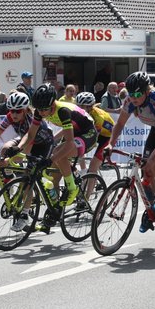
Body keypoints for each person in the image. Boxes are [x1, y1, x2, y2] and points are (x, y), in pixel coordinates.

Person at [105, 71, 155, 232]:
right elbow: (120, 124)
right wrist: (110, 144)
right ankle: (151, 211)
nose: (134, 98)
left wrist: (153, 160)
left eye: (138, 94)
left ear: (147, 91)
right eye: (131, 94)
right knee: (146, 169)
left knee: (154, 163)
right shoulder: (130, 100)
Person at [0, 91, 54, 232]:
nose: (14, 114)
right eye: (12, 110)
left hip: (41, 144)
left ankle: (25, 215)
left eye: (18, 111)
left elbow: (26, 148)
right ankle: (9, 180)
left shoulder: (32, 119)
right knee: (4, 149)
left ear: (25, 110)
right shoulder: (10, 116)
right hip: (24, 139)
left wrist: (9, 159)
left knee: (28, 179)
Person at [25, 84, 97, 219]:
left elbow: (69, 143)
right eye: (39, 109)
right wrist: (18, 149)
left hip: (88, 134)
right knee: (54, 174)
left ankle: (72, 187)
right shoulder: (40, 111)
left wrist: (50, 159)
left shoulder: (63, 111)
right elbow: (30, 136)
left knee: (59, 152)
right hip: (73, 132)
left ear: (52, 104)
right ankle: (55, 211)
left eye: (44, 109)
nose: (41, 113)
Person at [75, 91, 115, 190]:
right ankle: (84, 172)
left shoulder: (98, 117)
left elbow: (93, 139)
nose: (80, 108)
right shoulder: (79, 112)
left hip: (107, 137)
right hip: (95, 131)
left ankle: (87, 197)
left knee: (93, 167)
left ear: (90, 107)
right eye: (78, 105)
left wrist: (82, 150)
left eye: (83, 106)